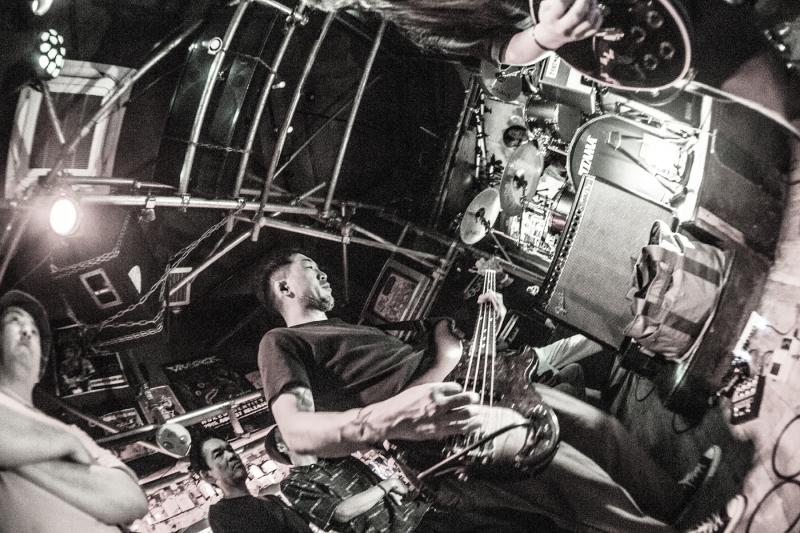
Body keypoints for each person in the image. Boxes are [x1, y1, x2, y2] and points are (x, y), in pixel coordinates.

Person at [254, 248, 745, 532]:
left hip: (478, 385)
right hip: (449, 425)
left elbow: (437, 357)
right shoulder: (280, 342)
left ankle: (670, 502)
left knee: (598, 428)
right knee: (581, 485)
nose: (321, 270)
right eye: (308, 266)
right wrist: (381, 420)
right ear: (284, 289)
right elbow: (297, 432)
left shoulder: (350, 328)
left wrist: (486, 321)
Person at [0, 289, 149, 533]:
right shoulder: (67, 436)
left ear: (40, 362)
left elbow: (133, 502)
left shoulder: (72, 432)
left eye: (34, 331)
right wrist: (67, 449)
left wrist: (24, 457)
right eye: (14, 321)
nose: (27, 331)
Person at [263, 424, 554, 533]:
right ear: (283, 447)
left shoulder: (335, 457)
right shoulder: (293, 483)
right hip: (400, 530)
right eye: (291, 432)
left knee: (506, 524)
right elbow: (339, 513)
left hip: (421, 513)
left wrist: (401, 489)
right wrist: (385, 486)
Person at [188, 430, 313, 533]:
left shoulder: (272, 500)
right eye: (219, 455)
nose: (231, 455)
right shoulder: (222, 513)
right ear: (207, 475)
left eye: (230, 449)